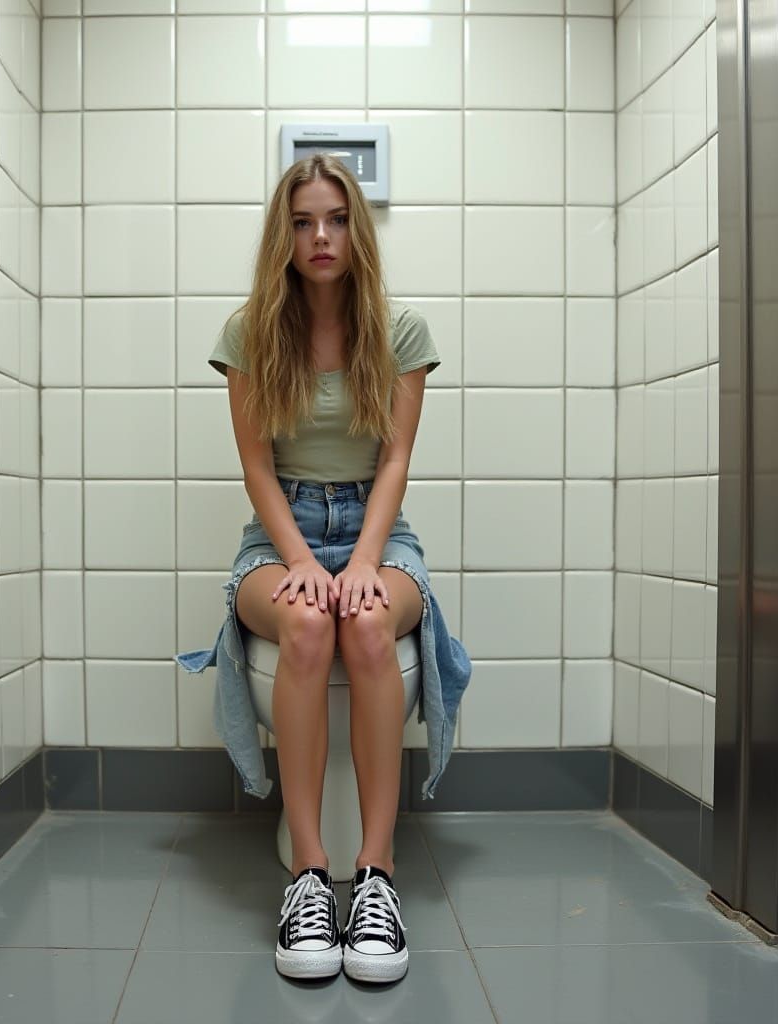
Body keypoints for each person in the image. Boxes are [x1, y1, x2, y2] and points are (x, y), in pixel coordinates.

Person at [175, 153, 471, 985]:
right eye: (303, 221)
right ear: (285, 233)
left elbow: (397, 458)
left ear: (356, 228)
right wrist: (301, 560)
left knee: (370, 627)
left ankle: (374, 875)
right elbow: (257, 469)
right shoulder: (250, 332)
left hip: (378, 527)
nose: (320, 236)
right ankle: (309, 876)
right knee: (307, 625)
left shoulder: (399, 330)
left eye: (336, 219)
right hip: (284, 530)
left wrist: (368, 556)